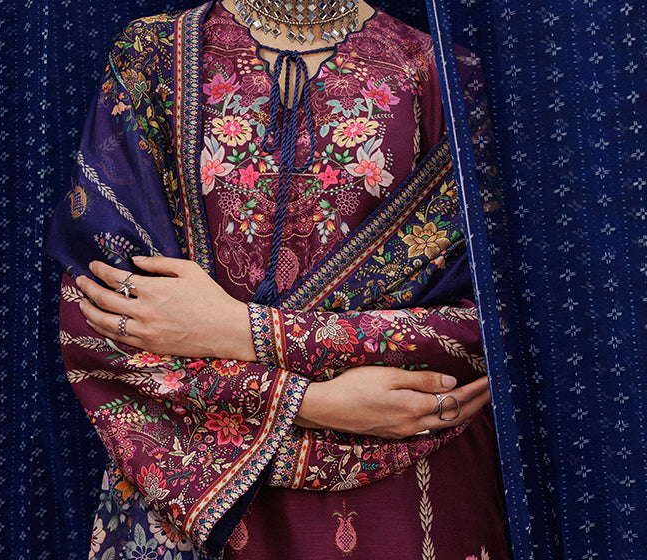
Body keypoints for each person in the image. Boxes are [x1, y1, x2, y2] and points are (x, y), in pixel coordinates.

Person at [45, 0, 508, 558]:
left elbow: (487, 323)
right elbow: (101, 306)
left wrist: (238, 330)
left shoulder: (441, 76)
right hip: (204, 490)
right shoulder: (155, 55)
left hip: (408, 484)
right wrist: (314, 402)